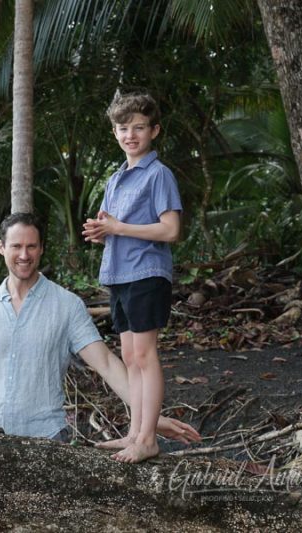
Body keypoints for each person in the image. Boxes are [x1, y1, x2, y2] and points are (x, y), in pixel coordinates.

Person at [0, 213, 199, 454]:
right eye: (16, 246)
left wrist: (149, 418)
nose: (24, 255)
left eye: (31, 246)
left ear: (42, 248)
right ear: (2, 247)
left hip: (46, 440)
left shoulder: (66, 305)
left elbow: (107, 364)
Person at [81, 90, 183, 463]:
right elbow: (113, 226)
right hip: (120, 274)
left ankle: (148, 439)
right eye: (123, 128)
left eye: (139, 127)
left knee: (144, 354)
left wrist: (120, 227)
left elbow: (170, 230)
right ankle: (134, 433)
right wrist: (100, 230)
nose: (130, 135)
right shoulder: (116, 178)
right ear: (115, 133)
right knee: (129, 356)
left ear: (154, 130)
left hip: (147, 273)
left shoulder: (158, 174)